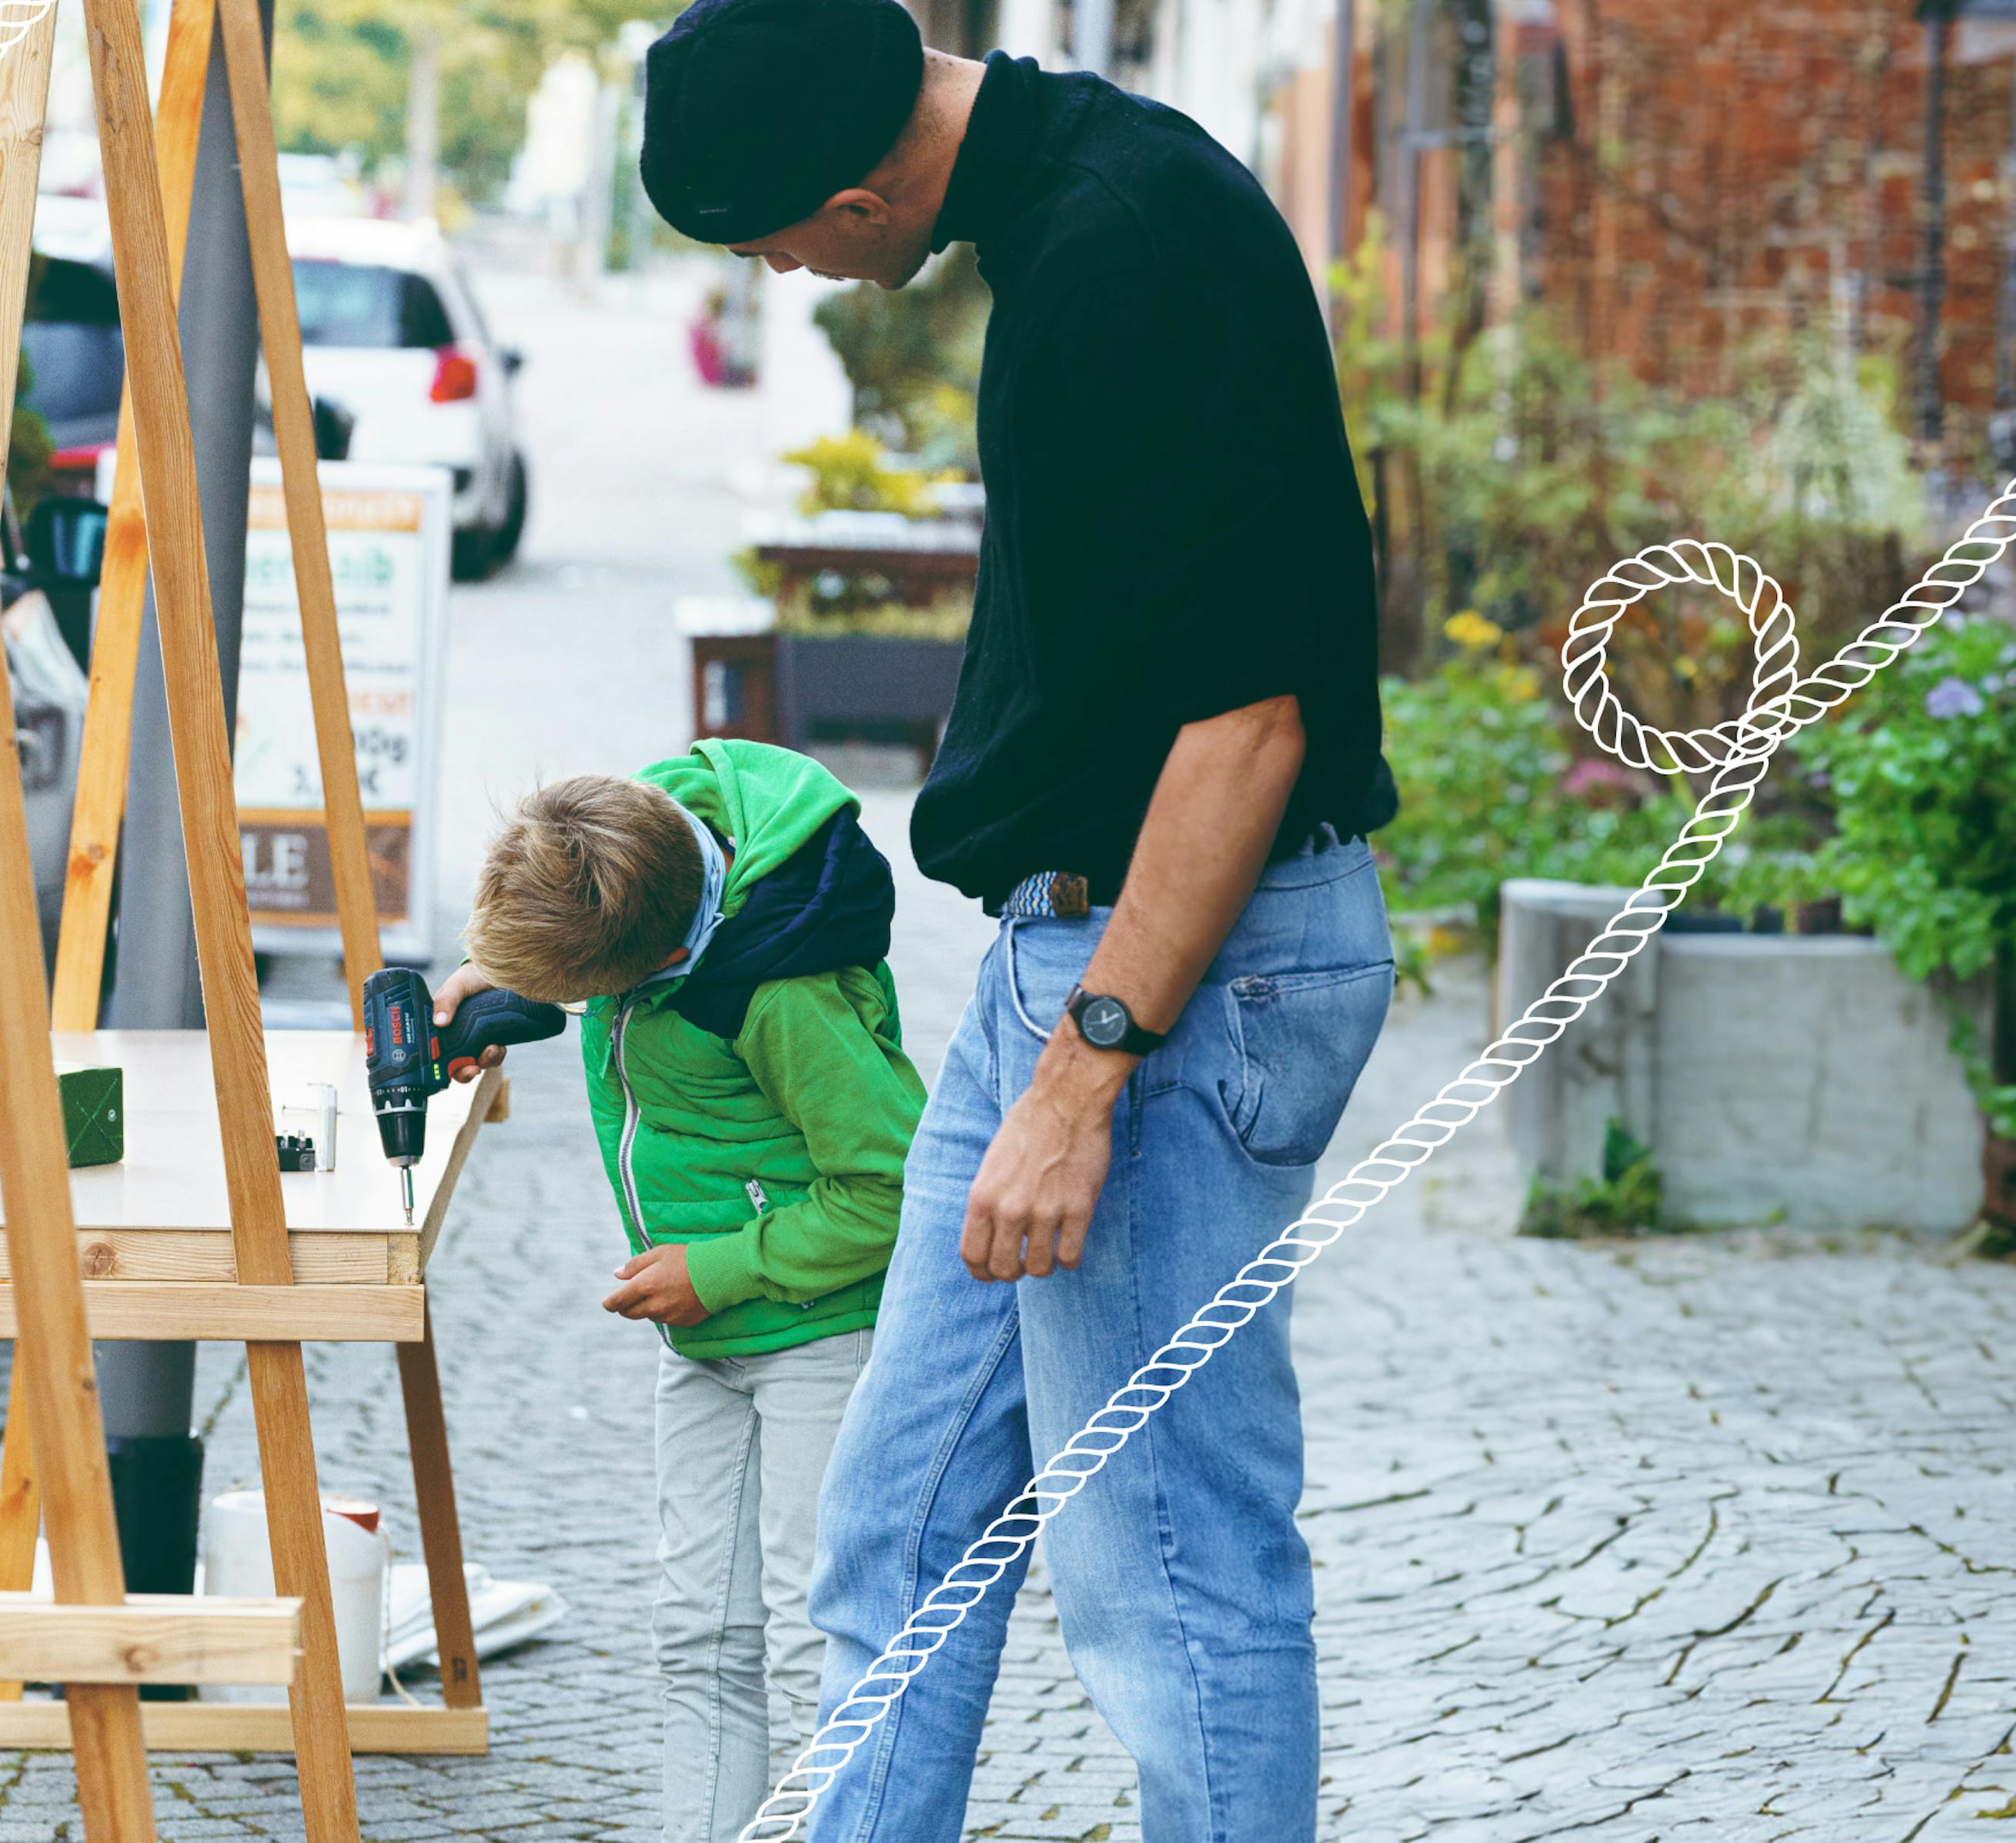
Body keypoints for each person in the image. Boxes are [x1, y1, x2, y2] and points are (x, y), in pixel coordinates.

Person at [637, 4, 1403, 1840]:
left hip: (1170, 988)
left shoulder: (1127, 258)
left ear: (852, 191)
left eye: (776, 238)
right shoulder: (1065, 210)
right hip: (1061, 962)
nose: (780, 270)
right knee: (896, 1532)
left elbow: (1250, 720)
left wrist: (1090, 1077)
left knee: (1173, 1572)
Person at [434, 740, 928, 1843]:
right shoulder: (630, 845)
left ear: (656, 956)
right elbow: (593, 941)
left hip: (819, 1335)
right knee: (695, 1633)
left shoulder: (779, 993)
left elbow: (894, 1185)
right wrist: (507, 979)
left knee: (822, 1632)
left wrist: (716, 1270)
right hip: (704, 1343)